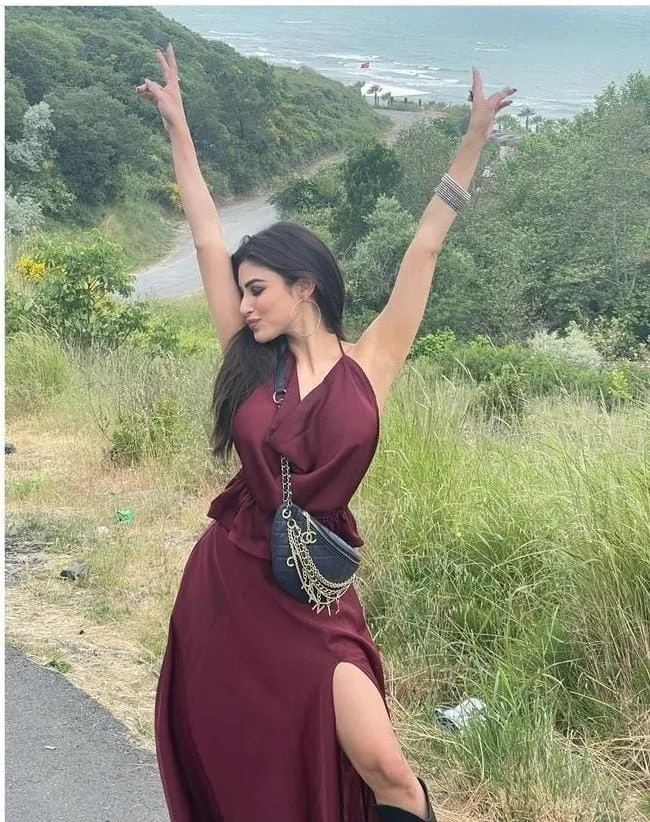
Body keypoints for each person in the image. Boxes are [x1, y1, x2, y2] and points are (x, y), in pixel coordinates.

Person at [137, 43, 515, 822]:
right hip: (232, 582)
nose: (245, 305)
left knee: (387, 768)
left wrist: (473, 139)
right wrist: (177, 125)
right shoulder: (248, 359)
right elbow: (206, 235)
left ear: (304, 285)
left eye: (258, 290)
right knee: (247, 763)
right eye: (241, 293)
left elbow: (426, 245)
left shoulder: (371, 362)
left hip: (316, 594)